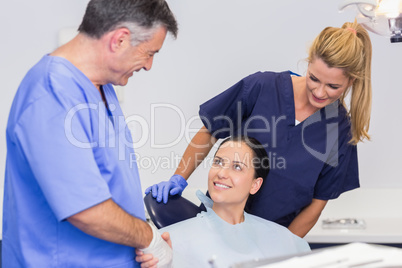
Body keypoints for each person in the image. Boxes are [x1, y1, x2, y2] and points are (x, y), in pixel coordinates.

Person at [146, 21, 372, 238]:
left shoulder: (340, 130)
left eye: (333, 87)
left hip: (273, 238)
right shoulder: (262, 87)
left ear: (351, 82)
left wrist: (280, 250)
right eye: (314, 78)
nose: (320, 92)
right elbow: (210, 131)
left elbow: (317, 203)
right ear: (309, 62)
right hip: (215, 229)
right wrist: (178, 178)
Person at [3, 0, 178, 267]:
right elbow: (86, 209)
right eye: (149, 53)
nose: (149, 65)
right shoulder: (51, 94)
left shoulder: (103, 87)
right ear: (119, 40)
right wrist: (148, 237)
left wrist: (145, 238)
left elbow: (113, 184)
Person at [137, 136, 311, 268]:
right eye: (218, 162)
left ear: (255, 185)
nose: (221, 173)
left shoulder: (284, 240)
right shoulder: (168, 242)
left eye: (237, 167)